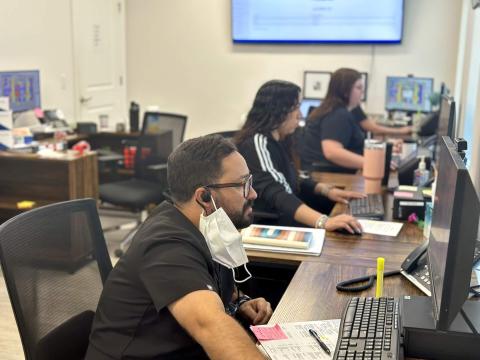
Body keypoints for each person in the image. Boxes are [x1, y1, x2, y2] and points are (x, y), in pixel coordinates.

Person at [86, 135, 271, 360]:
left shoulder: (202, 226)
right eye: (243, 185)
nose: (253, 193)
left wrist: (238, 301)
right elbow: (209, 324)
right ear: (204, 196)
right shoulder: (166, 246)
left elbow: (205, 282)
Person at [235, 79, 363, 233]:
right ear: (278, 110)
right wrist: (324, 222)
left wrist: (327, 190)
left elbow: (289, 178)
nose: (300, 114)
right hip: (272, 224)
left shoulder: (279, 140)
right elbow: (277, 192)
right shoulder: (257, 143)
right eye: (296, 107)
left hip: (285, 215)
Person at [301, 68, 411, 173]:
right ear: (345, 91)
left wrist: (384, 147)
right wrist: (374, 163)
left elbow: (353, 146)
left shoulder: (342, 111)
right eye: (358, 88)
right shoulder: (337, 114)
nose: (362, 92)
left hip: (335, 172)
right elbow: (332, 152)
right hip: (329, 176)